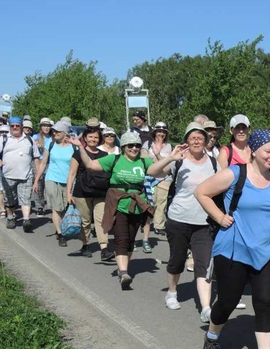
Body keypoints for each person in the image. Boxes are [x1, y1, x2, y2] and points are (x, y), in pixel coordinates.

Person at [194, 129, 270, 349]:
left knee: (266, 303)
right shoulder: (235, 173)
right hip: (234, 248)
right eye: (269, 151)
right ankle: (212, 337)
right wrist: (219, 217)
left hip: (267, 251)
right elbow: (201, 192)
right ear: (254, 150)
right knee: (228, 301)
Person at [74, 131, 177, 289]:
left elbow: (159, 171)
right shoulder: (114, 159)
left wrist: (168, 157)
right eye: (130, 145)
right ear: (123, 147)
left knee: (129, 239)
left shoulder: (143, 162)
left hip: (137, 206)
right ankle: (123, 272)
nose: (134, 148)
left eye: (137, 145)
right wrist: (81, 147)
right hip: (118, 204)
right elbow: (90, 165)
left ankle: (125, 269)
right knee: (121, 238)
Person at [148, 122, 217, 320]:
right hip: (179, 219)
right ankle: (172, 292)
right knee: (177, 260)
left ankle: (205, 308)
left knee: (204, 264)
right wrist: (170, 157)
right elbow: (151, 172)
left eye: (200, 137)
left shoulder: (213, 162)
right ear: (186, 140)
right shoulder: (179, 160)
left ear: (205, 141)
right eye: (192, 137)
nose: (196, 140)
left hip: (204, 222)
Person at [66, 124, 114, 261]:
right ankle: (85, 244)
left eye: (96, 137)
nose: (93, 139)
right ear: (85, 138)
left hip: (101, 192)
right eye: (90, 137)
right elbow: (72, 174)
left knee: (100, 220)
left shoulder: (104, 155)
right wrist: (68, 193)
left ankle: (104, 249)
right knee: (85, 221)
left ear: (99, 139)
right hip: (82, 192)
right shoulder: (78, 153)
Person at [33, 121, 77, 244]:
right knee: (56, 208)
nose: (55, 133)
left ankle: (65, 226)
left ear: (65, 133)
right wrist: (36, 180)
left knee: (65, 206)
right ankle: (60, 233)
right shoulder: (50, 144)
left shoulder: (73, 146)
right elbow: (43, 163)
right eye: (54, 131)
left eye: (58, 131)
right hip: (52, 178)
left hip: (68, 180)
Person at [1, 116, 40, 231]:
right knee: (9, 199)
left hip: (26, 176)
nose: (15, 128)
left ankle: (26, 220)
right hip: (8, 175)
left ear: (21, 126)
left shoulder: (29, 140)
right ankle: (10, 217)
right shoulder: (3, 139)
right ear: (9, 127)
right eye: (12, 126)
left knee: (26, 198)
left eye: (17, 126)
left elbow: (36, 158)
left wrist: (38, 176)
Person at [142, 122, 173, 244]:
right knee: (151, 203)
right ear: (154, 132)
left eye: (163, 132)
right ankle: (146, 223)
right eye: (159, 131)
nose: (161, 134)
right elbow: (144, 160)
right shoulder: (148, 144)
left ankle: (159, 226)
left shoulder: (169, 147)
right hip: (150, 179)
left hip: (165, 179)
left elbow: (168, 167)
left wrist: (158, 155)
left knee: (161, 202)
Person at [31, 117, 53, 214]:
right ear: (41, 127)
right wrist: (36, 146)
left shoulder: (53, 137)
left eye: (48, 126)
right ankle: (39, 206)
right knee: (39, 185)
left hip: (50, 162)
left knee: (49, 185)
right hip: (38, 161)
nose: (46, 128)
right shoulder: (35, 137)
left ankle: (53, 206)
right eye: (44, 126)